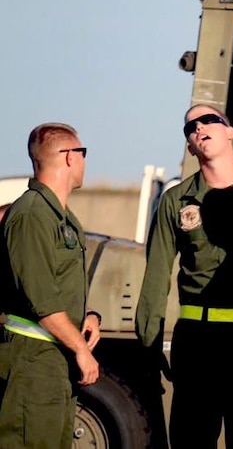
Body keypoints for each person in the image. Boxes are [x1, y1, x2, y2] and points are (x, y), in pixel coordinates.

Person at [135, 105, 233, 449]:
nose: (199, 127)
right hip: (197, 345)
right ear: (191, 147)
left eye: (209, 120)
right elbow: (156, 277)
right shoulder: (176, 201)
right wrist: (148, 346)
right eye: (190, 127)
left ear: (229, 131)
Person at [0, 123, 101, 448]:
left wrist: (89, 315)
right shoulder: (32, 215)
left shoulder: (60, 215)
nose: (85, 161)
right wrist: (82, 350)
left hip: (55, 357)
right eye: (83, 153)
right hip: (34, 362)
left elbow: (58, 282)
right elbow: (42, 301)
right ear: (70, 157)